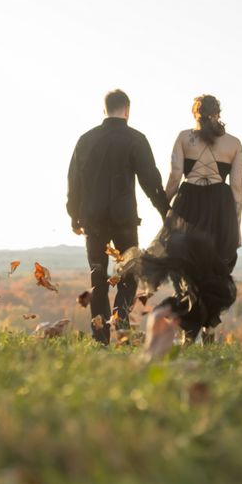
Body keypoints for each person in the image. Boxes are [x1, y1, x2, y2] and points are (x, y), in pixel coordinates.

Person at [129, 94, 242, 344]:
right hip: (220, 208)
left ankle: (188, 334)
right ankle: (209, 329)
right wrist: (237, 226)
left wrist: (164, 206)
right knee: (216, 270)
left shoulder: (184, 138)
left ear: (195, 113)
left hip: (189, 203)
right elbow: (236, 189)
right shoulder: (234, 144)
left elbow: (175, 176)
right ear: (218, 113)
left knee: (184, 265)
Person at [67, 89, 171, 345]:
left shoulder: (86, 140)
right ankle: (121, 322)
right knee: (129, 275)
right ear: (127, 110)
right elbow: (151, 181)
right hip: (124, 219)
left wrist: (74, 215)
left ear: (104, 110)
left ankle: (101, 338)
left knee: (98, 277)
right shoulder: (135, 139)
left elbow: (74, 181)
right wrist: (165, 213)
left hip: (93, 219)